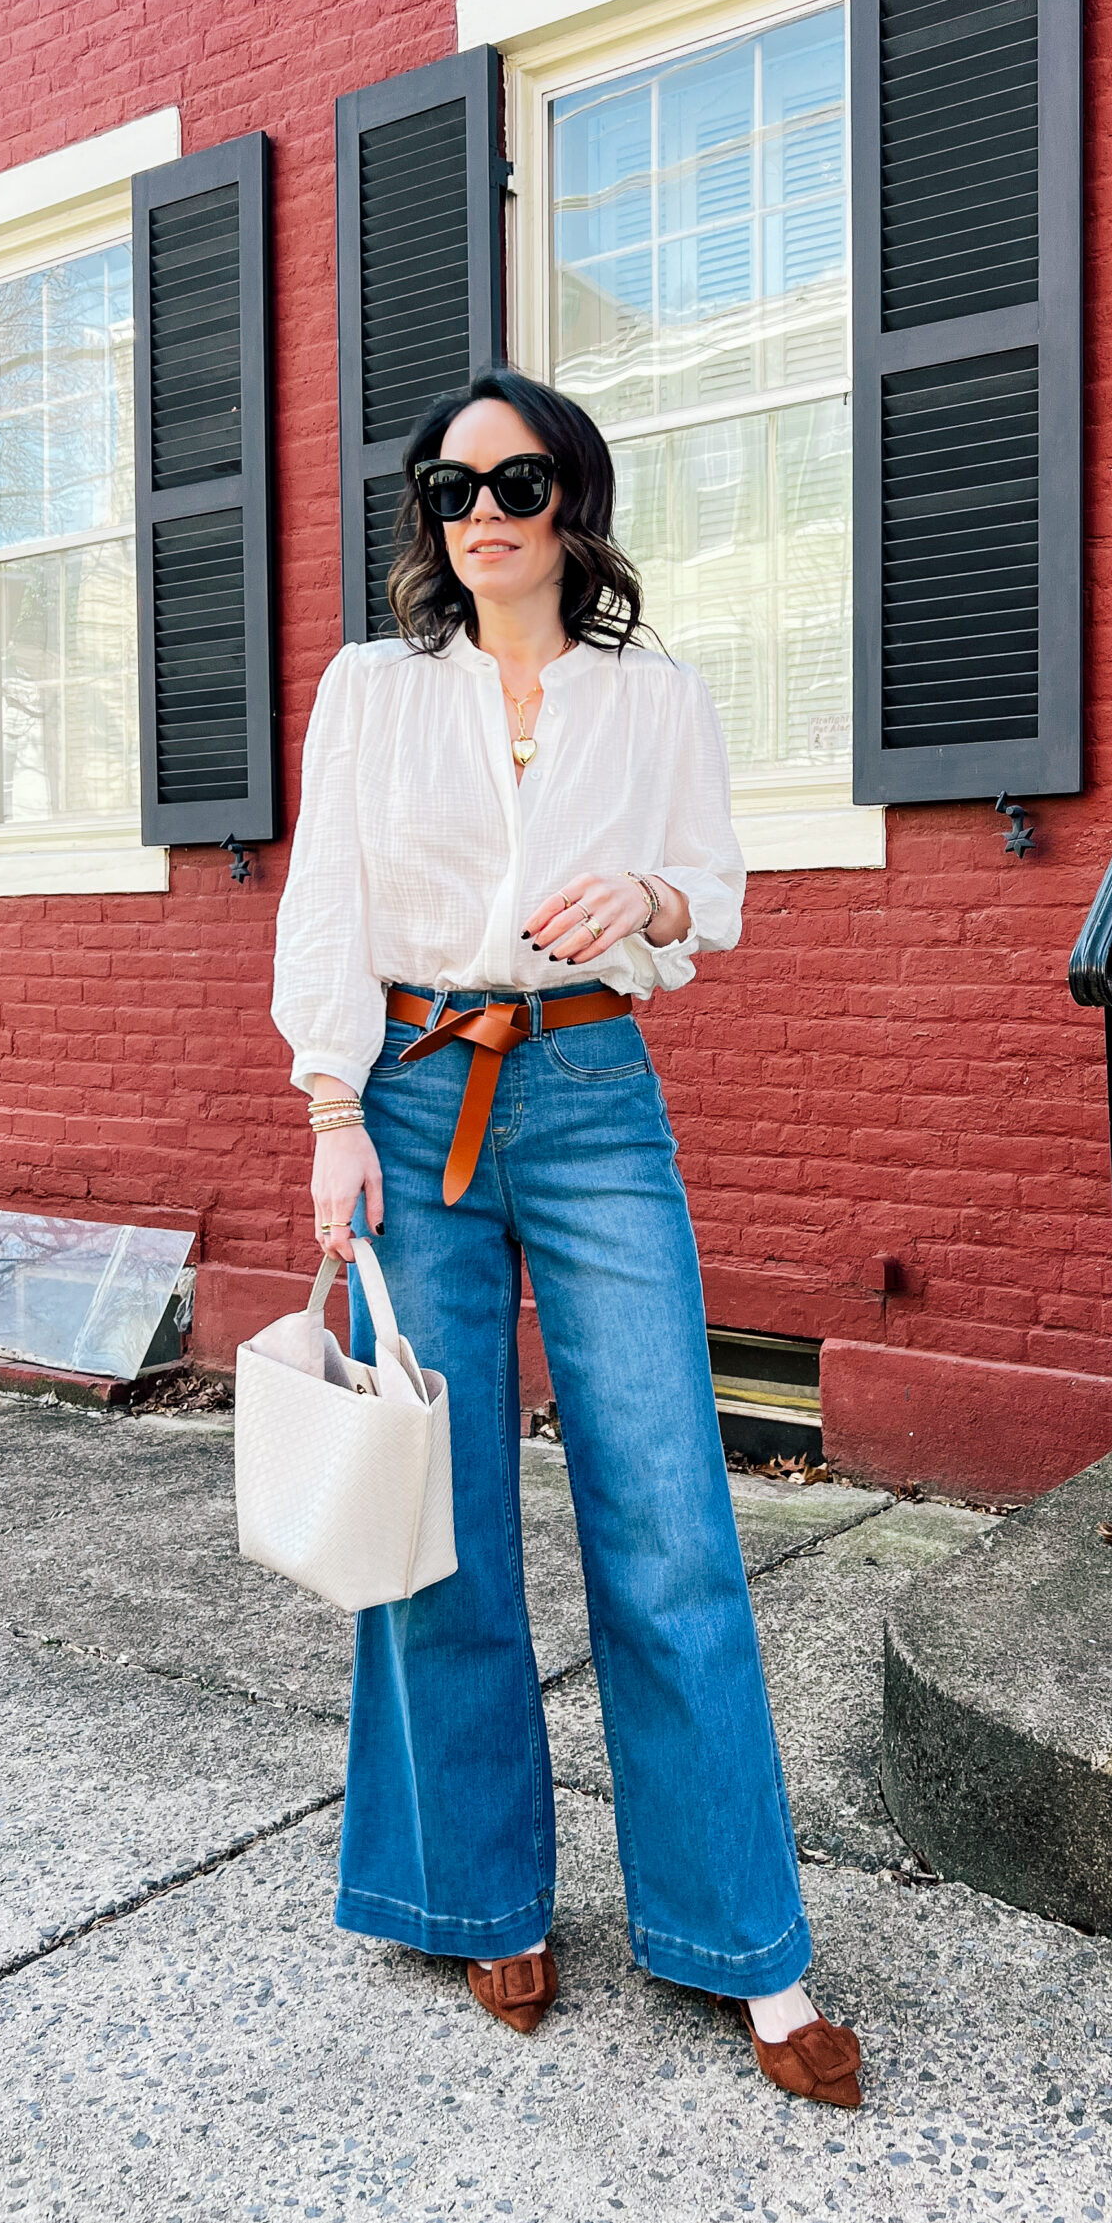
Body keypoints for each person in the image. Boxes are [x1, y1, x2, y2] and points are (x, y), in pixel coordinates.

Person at [271, 366, 861, 2110]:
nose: (483, 514)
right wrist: (325, 1118)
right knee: (433, 1516)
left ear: (569, 496)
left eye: (514, 480)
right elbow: (325, 904)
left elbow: (719, 889)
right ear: (428, 526)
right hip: (407, 1093)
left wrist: (651, 902)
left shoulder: (650, 693)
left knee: (668, 1515)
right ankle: (473, 1893)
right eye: (448, 491)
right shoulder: (371, 691)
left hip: (595, 1091)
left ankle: (743, 1944)